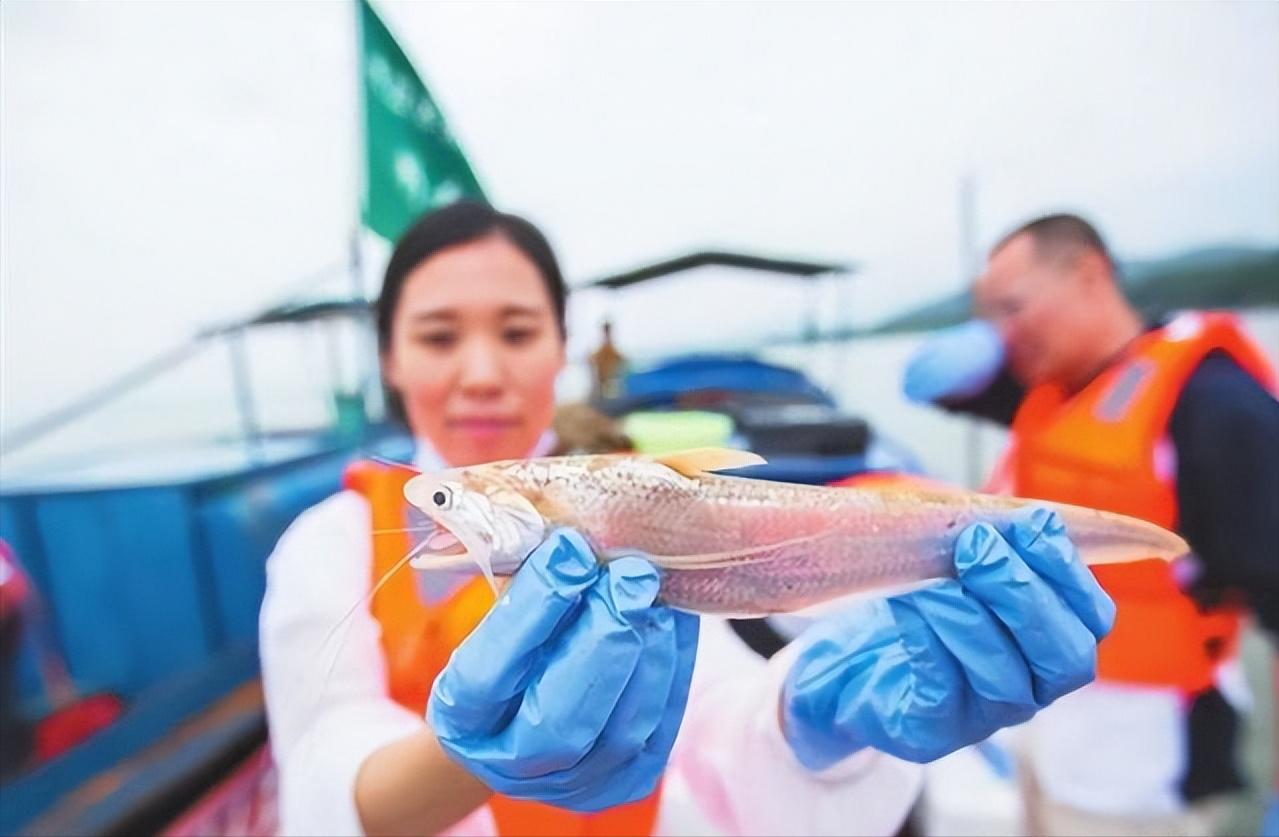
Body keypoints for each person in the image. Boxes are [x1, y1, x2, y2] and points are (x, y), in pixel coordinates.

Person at [260, 201, 1116, 837]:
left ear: (564, 346)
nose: (481, 372)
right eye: (439, 337)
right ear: (389, 358)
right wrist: (469, 755)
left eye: (517, 332)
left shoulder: (629, 504)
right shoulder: (328, 544)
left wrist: (813, 721)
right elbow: (322, 780)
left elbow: (715, 725)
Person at [904, 212, 1279, 836]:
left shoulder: (1216, 406)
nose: (1001, 339)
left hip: (1144, 769)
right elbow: (946, 389)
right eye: (986, 323)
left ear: (1088, 273)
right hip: (1041, 733)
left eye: (1011, 309)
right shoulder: (1047, 388)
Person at [588, 319, 627, 401]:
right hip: (603, 384)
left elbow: (622, 360)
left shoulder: (609, 348)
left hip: (609, 384)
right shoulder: (605, 348)